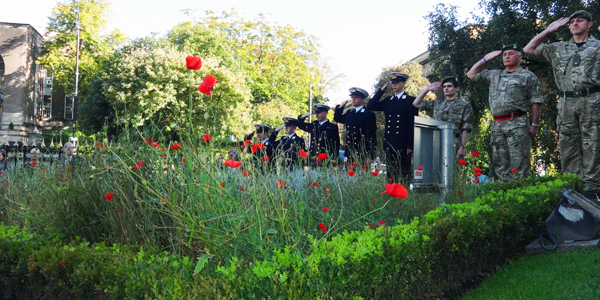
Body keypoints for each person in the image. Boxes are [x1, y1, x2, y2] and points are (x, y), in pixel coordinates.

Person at [523, 10, 600, 199]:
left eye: (579, 21)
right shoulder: (559, 48)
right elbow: (528, 49)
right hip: (565, 102)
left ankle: (592, 190)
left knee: (593, 144)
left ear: (589, 24)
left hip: (592, 100)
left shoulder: (597, 46)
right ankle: (572, 186)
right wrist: (548, 30)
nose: (574, 24)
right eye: (572, 22)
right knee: (567, 144)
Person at [467, 44, 543, 182]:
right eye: (504, 54)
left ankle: (521, 195)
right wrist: (485, 59)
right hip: (498, 124)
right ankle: (504, 195)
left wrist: (534, 124)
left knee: (520, 162)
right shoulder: (494, 75)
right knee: (500, 163)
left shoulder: (527, 76)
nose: (507, 56)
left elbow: (536, 101)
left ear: (519, 57)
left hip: (517, 123)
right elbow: (471, 74)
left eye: (511, 53)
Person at [368, 73, 418, 182]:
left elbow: (412, 124)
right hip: (390, 142)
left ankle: (404, 196)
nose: (394, 85)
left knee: (404, 173)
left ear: (403, 83)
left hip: (403, 143)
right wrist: (381, 91)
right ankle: (391, 194)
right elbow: (370, 105)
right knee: (390, 174)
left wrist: (410, 144)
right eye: (392, 83)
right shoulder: (388, 100)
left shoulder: (410, 100)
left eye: (397, 83)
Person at [413, 76, 475, 157]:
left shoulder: (464, 105)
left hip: (454, 142)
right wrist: (427, 89)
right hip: (436, 141)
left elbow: (466, 127)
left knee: (453, 168)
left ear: (456, 88)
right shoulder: (437, 104)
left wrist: (462, 146)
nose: (446, 88)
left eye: (449, 86)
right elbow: (416, 103)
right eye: (444, 86)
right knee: (434, 168)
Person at [334, 87, 377, 164]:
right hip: (349, 152)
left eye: (356, 97)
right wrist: (340, 107)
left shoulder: (368, 114)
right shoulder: (349, 113)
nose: (353, 99)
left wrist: (370, 155)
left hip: (362, 152)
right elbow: (337, 118)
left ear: (363, 98)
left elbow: (371, 135)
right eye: (352, 97)